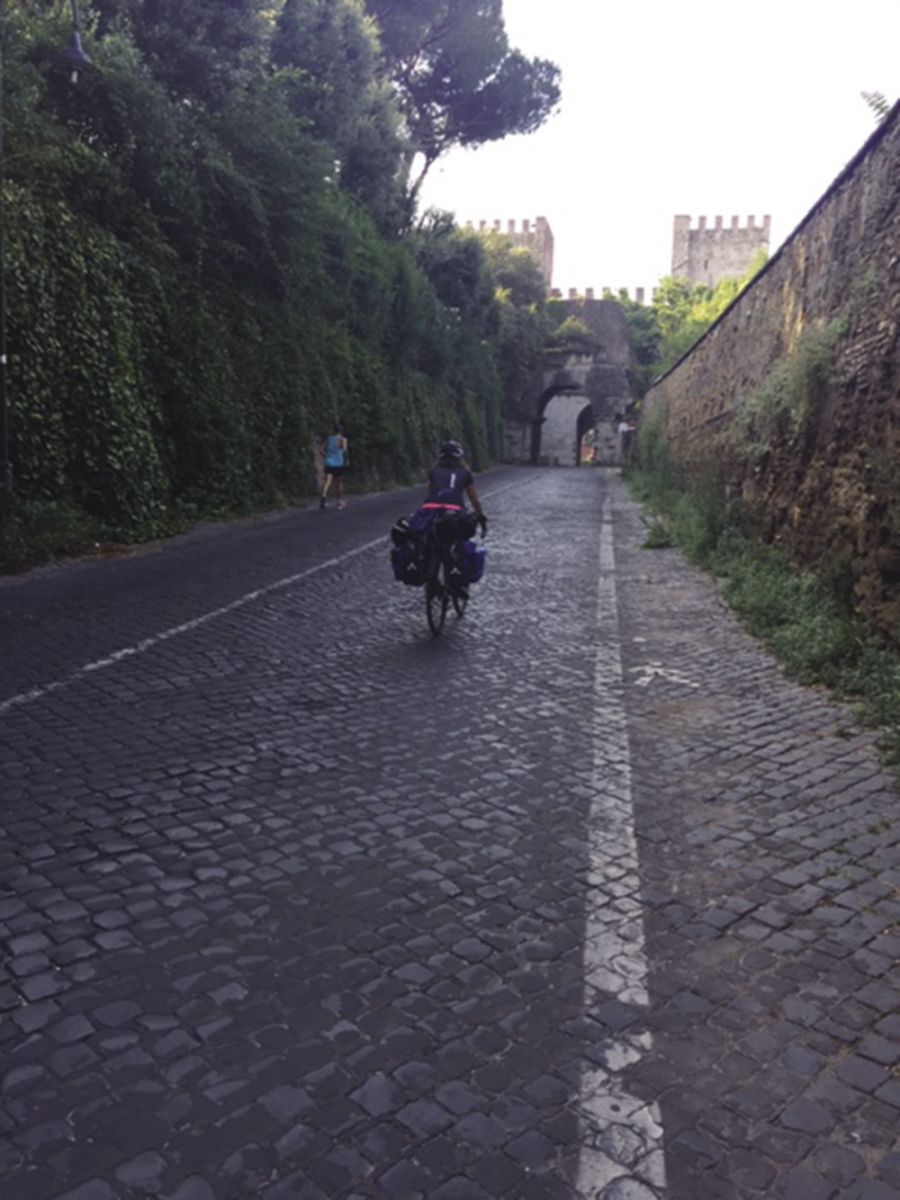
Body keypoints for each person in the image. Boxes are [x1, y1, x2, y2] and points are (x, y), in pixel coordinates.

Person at [415, 440, 487, 597]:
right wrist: (480, 515)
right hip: (454, 511)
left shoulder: (433, 472)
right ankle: (457, 582)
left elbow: (431, 492)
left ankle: (429, 575)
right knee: (458, 543)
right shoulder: (465, 473)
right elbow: (474, 499)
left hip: (430, 511)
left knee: (428, 541)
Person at [319, 424, 349, 509]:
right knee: (339, 483)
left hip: (329, 463)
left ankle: (323, 497)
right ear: (341, 431)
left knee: (327, 481)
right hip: (339, 463)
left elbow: (320, 450)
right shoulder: (343, 440)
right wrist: (346, 461)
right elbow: (345, 452)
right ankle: (340, 501)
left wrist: (326, 456)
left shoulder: (329, 439)